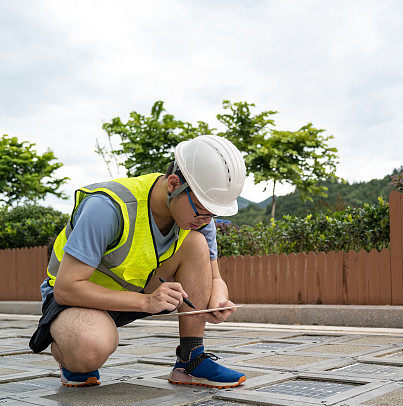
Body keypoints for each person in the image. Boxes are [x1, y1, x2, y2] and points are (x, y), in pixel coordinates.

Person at [29, 134, 247, 389]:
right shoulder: (107, 207)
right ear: (174, 184)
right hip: (77, 298)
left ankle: (191, 358)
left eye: (213, 213)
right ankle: (70, 353)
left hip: (135, 290)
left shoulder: (198, 218)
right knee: (89, 349)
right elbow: (66, 288)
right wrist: (146, 301)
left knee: (196, 242)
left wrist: (217, 301)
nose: (206, 220)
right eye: (201, 210)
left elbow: (214, 278)